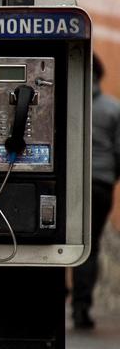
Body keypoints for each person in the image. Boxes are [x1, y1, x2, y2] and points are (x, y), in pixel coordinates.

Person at [74, 54, 120, 330]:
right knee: (89, 248)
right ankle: (82, 307)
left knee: (60, 244)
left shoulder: (70, 104)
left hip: (72, 185)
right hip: (101, 184)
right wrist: (109, 176)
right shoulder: (113, 108)